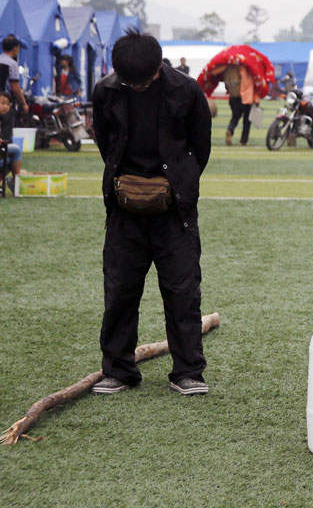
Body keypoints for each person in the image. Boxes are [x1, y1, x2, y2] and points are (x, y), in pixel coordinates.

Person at [90, 30, 213, 396]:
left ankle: (188, 371)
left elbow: (199, 147)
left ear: (158, 67)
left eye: (143, 80)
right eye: (130, 81)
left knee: (182, 291)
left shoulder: (187, 91)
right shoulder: (106, 91)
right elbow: (105, 142)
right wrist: (124, 183)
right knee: (120, 290)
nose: (137, 86)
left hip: (174, 210)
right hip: (124, 210)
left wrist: (180, 182)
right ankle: (119, 370)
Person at [0, 35, 29, 139]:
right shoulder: (12, 64)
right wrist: (23, 103)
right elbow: (15, 87)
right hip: (6, 102)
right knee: (6, 132)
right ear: (16, 48)